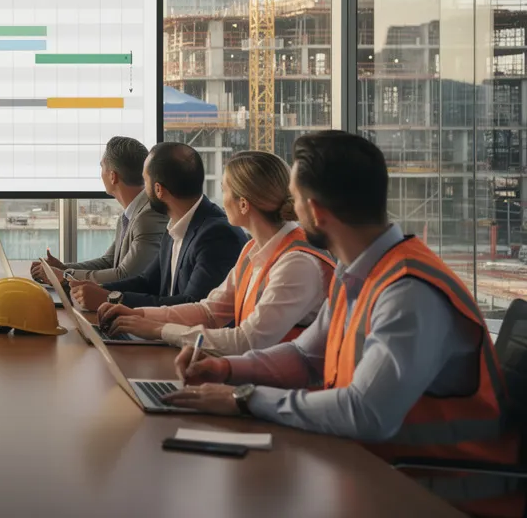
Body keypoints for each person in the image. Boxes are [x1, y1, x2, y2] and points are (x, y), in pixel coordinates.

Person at [164, 132, 519, 515]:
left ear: (316, 212)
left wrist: (245, 399)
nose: (291, 211)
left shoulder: (409, 292)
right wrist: (227, 369)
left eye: (295, 201)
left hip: (439, 496)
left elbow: (366, 413)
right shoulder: (359, 273)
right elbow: (305, 356)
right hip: (372, 473)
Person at [97, 150, 334, 354]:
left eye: (225, 190)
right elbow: (209, 311)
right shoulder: (254, 249)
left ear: (243, 204)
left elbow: (247, 340)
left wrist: (160, 330)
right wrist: (139, 316)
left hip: (290, 394)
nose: (221, 199)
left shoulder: (296, 264)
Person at [70, 142, 245, 312]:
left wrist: (110, 298)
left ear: (159, 190)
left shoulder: (218, 235)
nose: (143, 191)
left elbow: (192, 305)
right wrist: (99, 289)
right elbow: (147, 281)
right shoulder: (175, 225)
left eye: (145, 182)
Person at [30, 136, 167, 286]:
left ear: (113, 176)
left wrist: (64, 276)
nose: (100, 173)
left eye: (102, 167)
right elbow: (108, 261)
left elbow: (125, 275)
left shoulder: (148, 216)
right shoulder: (130, 213)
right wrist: (63, 268)